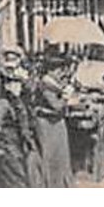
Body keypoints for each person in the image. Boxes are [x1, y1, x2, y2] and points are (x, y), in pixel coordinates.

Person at [0, 70, 38, 188]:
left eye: (19, 84)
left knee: (19, 178)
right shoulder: (3, 103)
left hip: (19, 144)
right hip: (9, 144)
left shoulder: (18, 101)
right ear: (7, 86)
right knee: (15, 180)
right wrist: (0, 145)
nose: (18, 87)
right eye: (15, 84)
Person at [31, 53, 75, 188]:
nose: (61, 72)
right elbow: (56, 105)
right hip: (48, 124)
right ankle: (52, 184)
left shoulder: (52, 82)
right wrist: (67, 98)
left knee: (60, 155)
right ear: (51, 70)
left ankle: (60, 183)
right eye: (59, 70)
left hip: (55, 122)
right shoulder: (46, 84)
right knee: (51, 155)